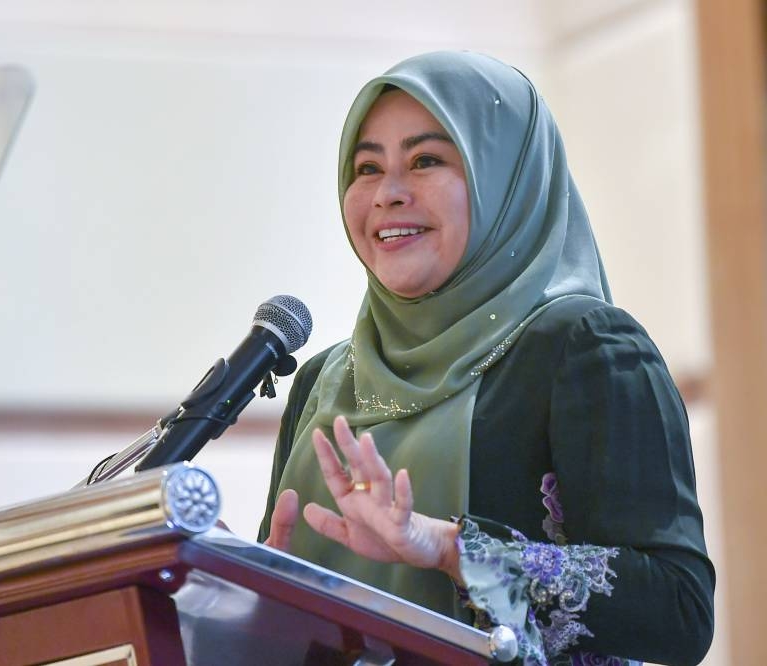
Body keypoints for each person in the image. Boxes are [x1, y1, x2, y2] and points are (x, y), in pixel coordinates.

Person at [257, 51, 714, 665]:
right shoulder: (321, 382)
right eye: (366, 168)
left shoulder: (583, 348)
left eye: (425, 160)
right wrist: (236, 591)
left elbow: (677, 611)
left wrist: (451, 549)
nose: (387, 194)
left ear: (504, 178)